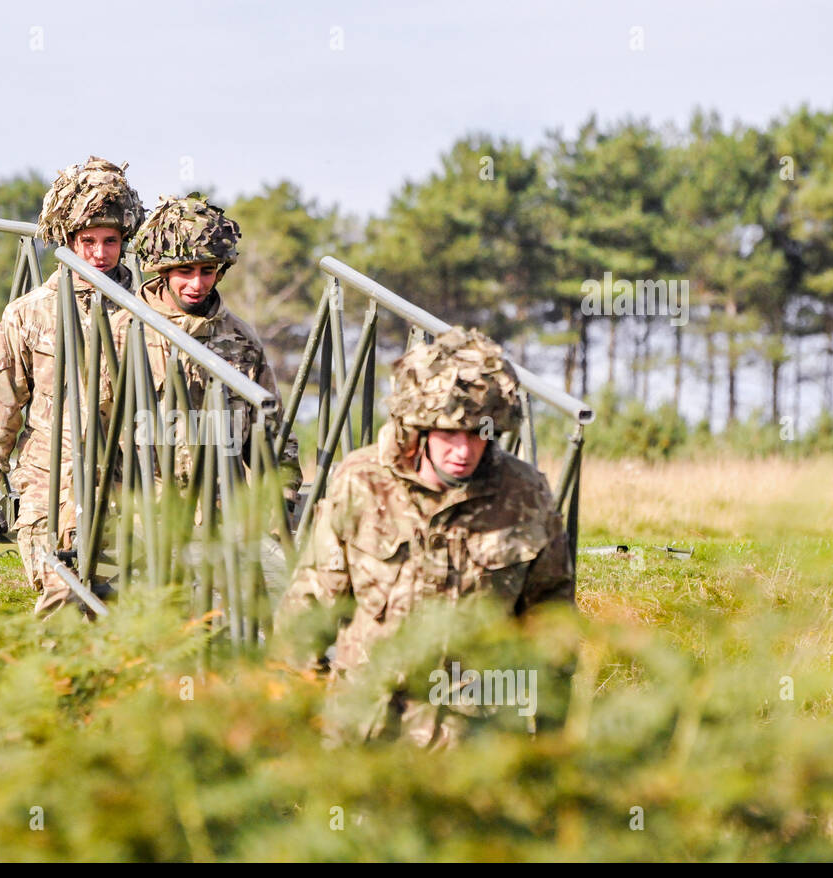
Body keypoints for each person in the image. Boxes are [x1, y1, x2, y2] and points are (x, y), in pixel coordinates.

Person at [275, 327, 574, 747]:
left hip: (476, 744)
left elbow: (552, 624)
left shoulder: (525, 494)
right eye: (450, 434)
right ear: (418, 429)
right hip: (369, 737)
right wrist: (298, 718)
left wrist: (552, 743)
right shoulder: (362, 483)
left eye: (477, 434)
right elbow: (310, 608)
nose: (464, 450)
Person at [0, 156, 143, 616]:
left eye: (110, 241)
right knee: (62, 603)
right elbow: (0, 402)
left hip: (127, 488)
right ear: (66, 240)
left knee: (123, 614)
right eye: (88, 242)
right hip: (49, 485)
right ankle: (54, 686)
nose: (100, 254)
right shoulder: (30, 313)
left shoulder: (146, 313)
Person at [112, 193, 301, 501]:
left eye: (207, 271)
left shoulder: (242, 340)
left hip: (222, 516)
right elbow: (86, 430)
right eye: (186, 272)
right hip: (143, 515)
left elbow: (270, 432)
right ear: (164, 272)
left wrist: (283, 496)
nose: (197, 284)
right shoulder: (122, 333)